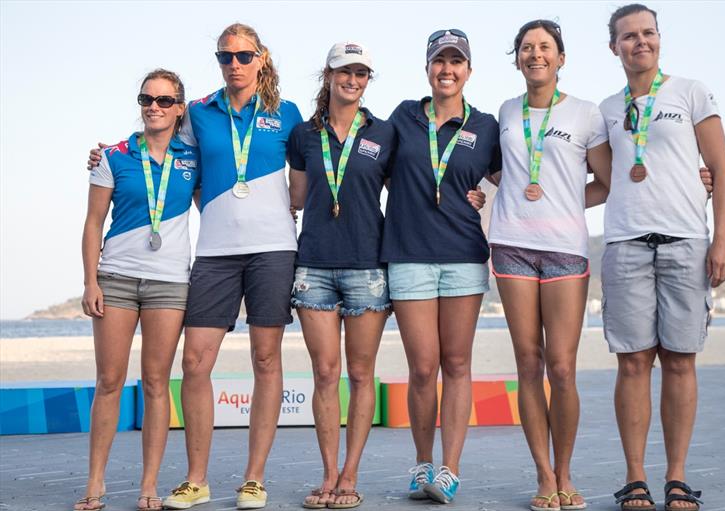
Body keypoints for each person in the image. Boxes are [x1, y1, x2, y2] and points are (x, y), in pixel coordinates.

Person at [161, 23, 302, 510]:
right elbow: (162, 148)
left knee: (266, 360)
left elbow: (303, 183)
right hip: (216, 252)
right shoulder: (198, 111)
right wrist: (106, 153)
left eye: (243, 56)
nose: (235, 65)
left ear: (261, 58)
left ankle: (254, 479)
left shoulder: (287, 114)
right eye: (226, 57)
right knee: (195, 362)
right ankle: (196, 479)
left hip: (274, 250)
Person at [600, 4, 725, 511]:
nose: (640, 42)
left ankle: (677, 476)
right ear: (614, 47)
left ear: (660, 38)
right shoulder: (606, 109)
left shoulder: (691, 92)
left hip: (685, 244)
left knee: (680, 362)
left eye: (647, 33)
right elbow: (591, 178)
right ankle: (635, 478)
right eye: (628, 36)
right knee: (633, 363)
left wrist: (721, 239)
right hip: (626, 244)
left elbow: (720, 170)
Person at [487, 20, 612, 511]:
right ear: (516, 59)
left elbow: (606, 181)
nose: (535, 54)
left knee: (561, 367)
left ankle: (566, 472)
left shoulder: (586, 114)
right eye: (526, 48)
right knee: (528, 363)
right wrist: (491, 191)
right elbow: (502, 169)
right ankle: (543, 476)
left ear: (561, 58)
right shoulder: (505, 111)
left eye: (545, 47)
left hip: (565, 248)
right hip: (511, 244)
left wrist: (564, 203)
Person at [381, 29, 501, 505]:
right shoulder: (403, 116)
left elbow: (514, 180)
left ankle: (450, 470)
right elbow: (376, 170)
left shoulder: (487, 125)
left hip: (464, 256)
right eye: (439, 61)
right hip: (408, 253)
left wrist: (483, 196)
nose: (447, 69)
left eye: (456, 61)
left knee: (456, 363)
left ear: (468, 70)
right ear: (427, 68)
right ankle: (422, 463)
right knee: (423, 366)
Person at [78, 69, 199, 511]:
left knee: (155, 383)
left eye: (165, 101)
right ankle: (96, 483)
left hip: (169, 282)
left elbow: (217, 206)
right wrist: (91, 280)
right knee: (108, 381)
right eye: (147, 98)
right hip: (116, 279)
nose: (154, 106)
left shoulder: (193, 156)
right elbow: (93, 224)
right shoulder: (114, 155)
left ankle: (149, 485)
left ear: (179, 108)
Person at [287, 42, 394, 510]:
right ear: (327, 76)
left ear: (368, 80)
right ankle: (328, 474)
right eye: (344, 72)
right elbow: (295, 196)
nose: (352, 80)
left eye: (361, 73)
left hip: (368, 265)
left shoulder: (386, 133)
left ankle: (351, 473)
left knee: (360, 372)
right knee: (326, 372)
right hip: (313, 264)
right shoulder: (302, 135)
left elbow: (406, 192)